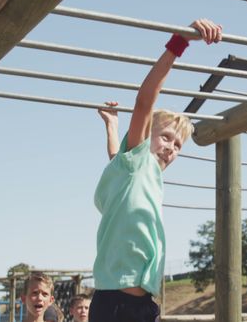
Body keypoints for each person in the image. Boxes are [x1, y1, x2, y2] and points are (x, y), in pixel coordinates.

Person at [90, 18, 222, 322]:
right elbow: (144, 101)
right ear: (145, 135)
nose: (170, 148)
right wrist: (178, 44)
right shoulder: (139, 161)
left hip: (140, 303)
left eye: (177, 146)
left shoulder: (134, 173)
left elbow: (114, 157)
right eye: (165, 137)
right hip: (117, 304)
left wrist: (112, 125)